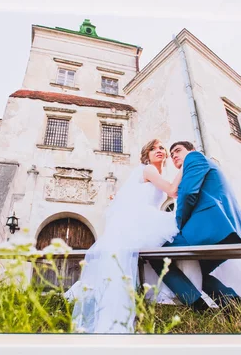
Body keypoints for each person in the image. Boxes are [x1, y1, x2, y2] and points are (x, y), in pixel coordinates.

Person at [65, 139, 182, 333]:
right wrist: (186, 166)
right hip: (143, 219)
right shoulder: (149, 170)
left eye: (161, 148)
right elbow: (171, 190)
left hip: (142, 218)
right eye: (153, 149)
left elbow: (130, 195)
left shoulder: (151, 173)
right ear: (147, 155)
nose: (159, 151)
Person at [148, 141, 241, 314]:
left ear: (191, 150)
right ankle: (237, 309)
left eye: (178, 150)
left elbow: (189, 193)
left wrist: (178, 225)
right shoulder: (202, 165)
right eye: (172, 153)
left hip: (207, 228)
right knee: (197, 273)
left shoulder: (194, 157)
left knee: (156, 256)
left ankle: (199, 307)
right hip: (224, 232)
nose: (174, 155)